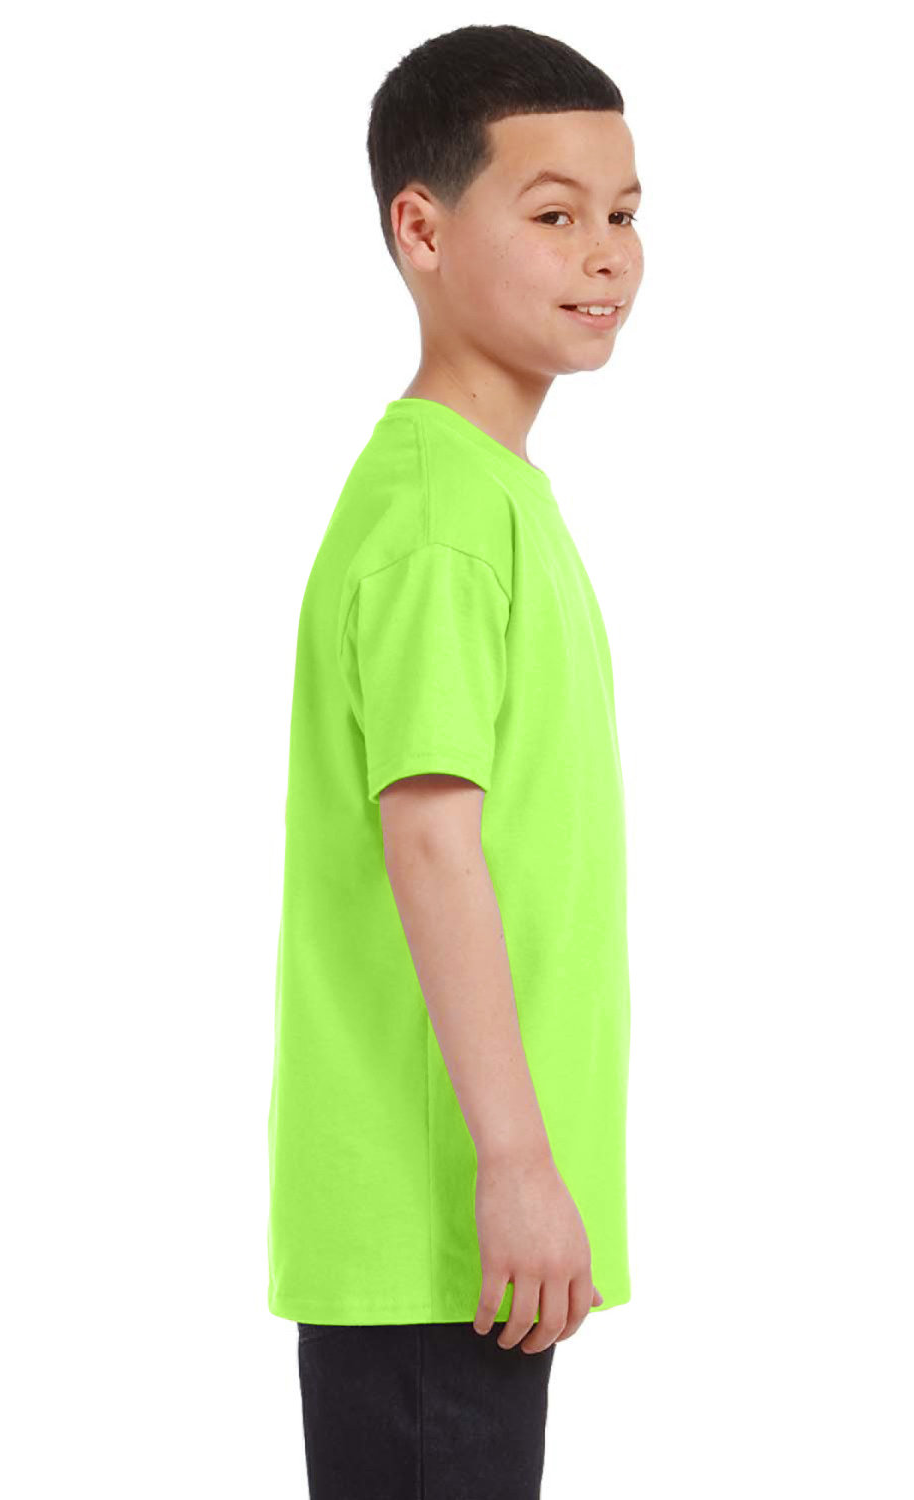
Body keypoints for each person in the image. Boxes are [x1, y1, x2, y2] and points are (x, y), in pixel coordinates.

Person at [266, 23, 643, 1499]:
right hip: (435, 1230)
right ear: (419, 230)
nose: (605, 254)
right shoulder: (439, 516)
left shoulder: (488, 491)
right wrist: (516, 1165)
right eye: (553, 214)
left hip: (453, 1235)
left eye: (623, 213)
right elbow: (431, 837)